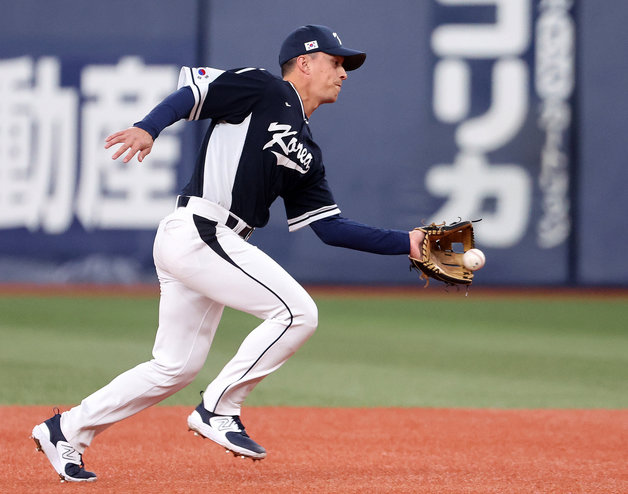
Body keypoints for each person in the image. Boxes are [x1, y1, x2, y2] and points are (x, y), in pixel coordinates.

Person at [31, 24, 425, 482]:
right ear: (305, 62)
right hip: (201, 228)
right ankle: (219, 407)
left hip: (210, 242)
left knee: (174, 367)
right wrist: (147, 127)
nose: (343, 73)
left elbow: (329, 228)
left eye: (344, 66)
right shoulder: (263, 88)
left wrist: (408, 243)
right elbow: (193, 93)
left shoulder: (308, 154)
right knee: (298, 314)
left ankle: (66, 429)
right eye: (336, 62)